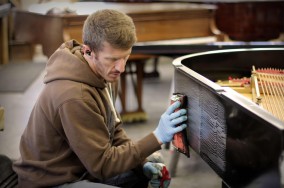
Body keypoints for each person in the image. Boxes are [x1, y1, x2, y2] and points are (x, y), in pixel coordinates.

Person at [13, 9, 187, 188]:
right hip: (49, 181)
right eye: (112, 59)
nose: (121, 68)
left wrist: (142, 164)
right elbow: (102, 165)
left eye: (125, 57)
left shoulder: (103, 72)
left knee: (141, 175)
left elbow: (114, 131)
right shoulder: (74, 96)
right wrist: (157, 137)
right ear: (88, 51)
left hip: (82, 168)